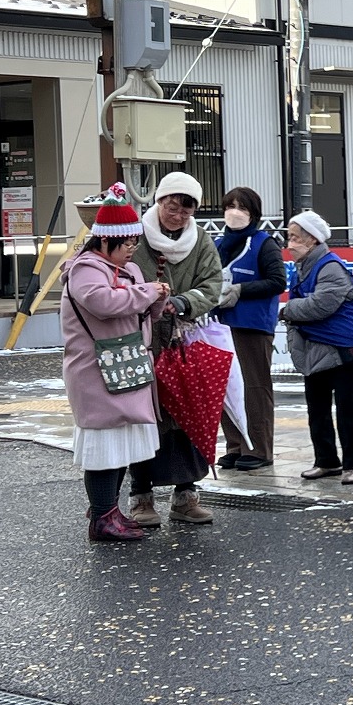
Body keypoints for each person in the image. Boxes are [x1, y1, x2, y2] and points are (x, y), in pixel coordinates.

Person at [61, 183, 170, 541]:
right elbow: (105, 303)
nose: (132, 251)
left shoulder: (131, 271)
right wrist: (145, 294)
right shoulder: (84, 271)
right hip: (97, 371)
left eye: (135, 244)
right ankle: (102, 518)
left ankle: (110, 511)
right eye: (127, 245)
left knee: (122, 443)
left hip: (125, 366)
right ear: (105, 242)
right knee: (104, 446)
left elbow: (139, 312)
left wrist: (156, 298)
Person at [129, 172, 223, 527]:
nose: (178, 215)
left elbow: (213, 284)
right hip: (140, 339)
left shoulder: (201, 241)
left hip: (183, 339)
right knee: (144, 417)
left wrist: (182, 302)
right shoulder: (134, 236)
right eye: (172, 206)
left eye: (186, 209)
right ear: (159, 201)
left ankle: (186, 496)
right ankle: (141, 497)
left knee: (188, 414)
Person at [281, 211, 353, 485]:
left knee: (347, 407)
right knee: (316, 407)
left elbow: (320, 305)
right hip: (315, 348)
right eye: (289, 237)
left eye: (295, 238)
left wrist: (288, 310)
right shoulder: (305, 266)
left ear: (312, 240)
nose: (290, 243)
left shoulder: (329, 267)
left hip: (341, 348)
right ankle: (326, 461)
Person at [215, 186, 286, 472]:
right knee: (225, 387)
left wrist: (241, 289)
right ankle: (235, 444)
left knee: (254, 387)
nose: (235, 212)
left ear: (253, 213)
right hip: (220, 325)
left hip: (252, 325)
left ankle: (258, 448)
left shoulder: (263, 243)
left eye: (242, 208)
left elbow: (277, 281)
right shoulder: (219, 244)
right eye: (230, 206)